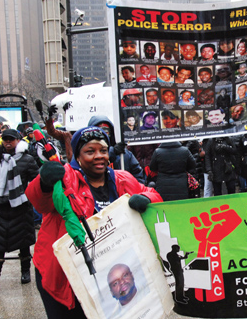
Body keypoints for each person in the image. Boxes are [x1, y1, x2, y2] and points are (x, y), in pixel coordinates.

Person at [26, 126, 162, 318]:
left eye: (103, 151)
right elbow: (39, 201)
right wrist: (44, 181)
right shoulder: (64, 178)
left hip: (107, 271)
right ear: (78, 156)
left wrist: (146, 199)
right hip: (63, 274)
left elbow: (153, 194)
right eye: (90, 151)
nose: (99, 156)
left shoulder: (122, 178)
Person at [0, 129, 39, 291]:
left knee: (24, 241)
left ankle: (25, 272)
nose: (8, 142)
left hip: (20, 207)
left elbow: (35, 181)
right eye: (5, 139)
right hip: (1, 207)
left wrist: (26, 198)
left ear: (18, 140)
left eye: (11, 139)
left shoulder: (27, 159)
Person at [88, 116, 146, 184]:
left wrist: (133, 191)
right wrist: (112, 151)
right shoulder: (84, 155)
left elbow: (138, 176)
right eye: (98, 132)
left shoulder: (124, 154)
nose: (102, 136)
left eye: (106, 131)